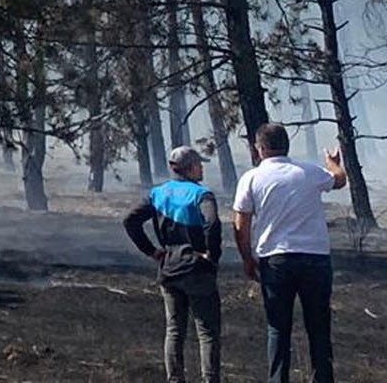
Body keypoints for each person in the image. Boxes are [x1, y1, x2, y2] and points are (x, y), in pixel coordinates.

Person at [231, 123, 348, 383]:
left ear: (259, 149)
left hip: (276, 261)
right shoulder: (308, 172)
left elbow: (241, 224)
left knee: (278, 328)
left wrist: (247, 259)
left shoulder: (251, 178)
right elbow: (339, 180)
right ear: (287, 146)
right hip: (315, 259)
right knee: (319, 328)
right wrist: (333, 163)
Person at [124, 144, 224, 383]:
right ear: (189, 169)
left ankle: (175, 379)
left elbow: (130, 220)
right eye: (199, 165)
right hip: (197, 267)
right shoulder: (201, 195)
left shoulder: (158, 194)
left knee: (174, 329)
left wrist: (152, 251)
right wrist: (212, 255)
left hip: (169, 268)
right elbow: (212, 223)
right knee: (207, 332)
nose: (202, 169)